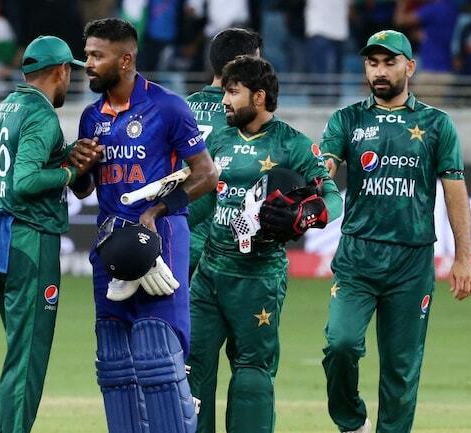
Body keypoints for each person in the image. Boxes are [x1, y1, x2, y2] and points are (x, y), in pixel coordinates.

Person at [320, 29, 471, 433]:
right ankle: (351, 421)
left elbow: (455, 191)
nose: (379, 71)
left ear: (410, 67)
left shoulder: (437, 124)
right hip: (357, 257)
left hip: (412, 261)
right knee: (340, 344)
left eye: (389, 62)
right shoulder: (347, 119)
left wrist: (463, 258)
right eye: (372, 63)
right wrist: (315, 183)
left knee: (401, 370)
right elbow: (326, 168)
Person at [69, 17, 218, 433]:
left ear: (126, 60)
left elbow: (206, 175)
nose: (88, 64)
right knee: (114, 360)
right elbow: (83, 189)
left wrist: (156, 212)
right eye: (87, 55)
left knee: (158, 353)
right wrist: (79, 168)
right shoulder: (91, 116)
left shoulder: (168, 106)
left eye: (97, 56)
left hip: (160, 238)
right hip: (110, 244)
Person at [185, 55, 343, 433]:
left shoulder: (293, 144)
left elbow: (332, 199)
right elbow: (203, 202)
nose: (224, 101)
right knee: (191, 366)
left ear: (258, 97)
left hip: (258, 277)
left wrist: (304, 215)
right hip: (209, 273)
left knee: (252, 372)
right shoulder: (219, 139)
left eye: (232, 92)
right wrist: (163, 223)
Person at [0, 35, 86, 433]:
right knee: (27, 359)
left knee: (19, 353)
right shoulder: (41, 114)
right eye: (70, 72)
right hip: (31, 238)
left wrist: (65, 153)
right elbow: (25, 180)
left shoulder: (7, 106)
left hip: (3, 235)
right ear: (61, 71)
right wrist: (71, 171)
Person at [183, 27, 262, 433]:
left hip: (178, 254)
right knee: (250, 362)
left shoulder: (179, 109)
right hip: (229, 257)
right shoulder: (248, 120)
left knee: (191, 368)